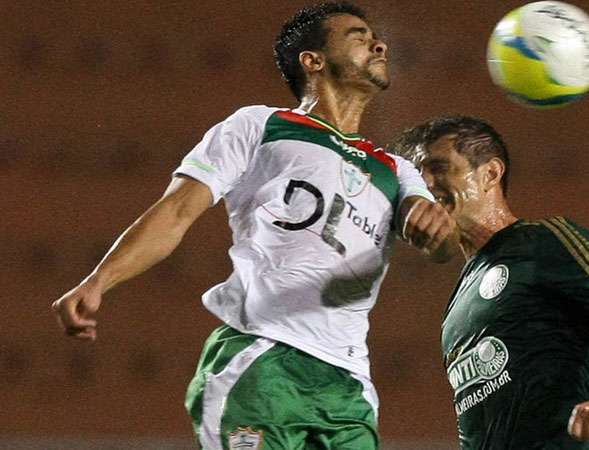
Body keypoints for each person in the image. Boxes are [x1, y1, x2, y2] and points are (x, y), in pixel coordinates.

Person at [51, 3, 458, 449]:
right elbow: (178, 210)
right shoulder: (260, 125)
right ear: (313, 60)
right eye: (358, 36)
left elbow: (439, 246)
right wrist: (99, 280)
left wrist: (436, 225)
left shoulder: (395, 169)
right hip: (263, 361)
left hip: (349, 387)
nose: (378, 44)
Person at [389, 116, 589, 449]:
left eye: (438, 168)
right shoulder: (456, 306)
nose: (425, 183)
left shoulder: (541, 242)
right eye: (417, 175)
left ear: (490, 174)